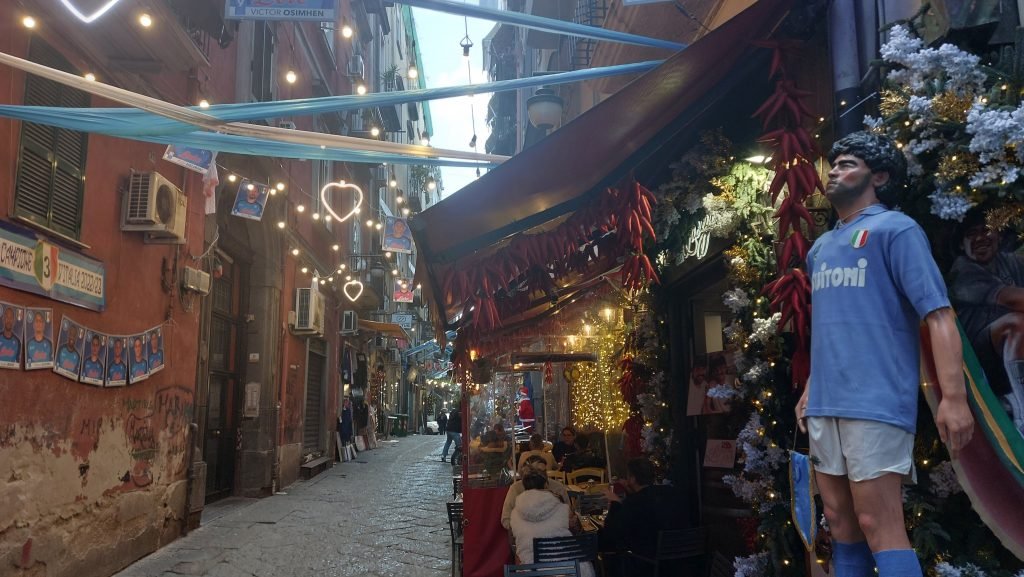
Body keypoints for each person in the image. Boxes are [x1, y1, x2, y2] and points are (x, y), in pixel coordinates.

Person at [796, 131, 974, 577]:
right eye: (833, 164)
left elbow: (938, 315)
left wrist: (953, 398)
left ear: (879, 176)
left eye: (848, 163)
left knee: (879, 521)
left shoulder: (897, 229)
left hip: (874, 400)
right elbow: (830, 328)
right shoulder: (819, 250)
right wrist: (810, 388)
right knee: (839, 524)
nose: (835, 170)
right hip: (825, 403)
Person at [948, 211, 1024, 435]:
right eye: (971, 234)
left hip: (1013, 355)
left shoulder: (1011, 261)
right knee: (1018, 322)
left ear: (999, 236)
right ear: (962, 244)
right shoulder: (963, 271)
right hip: (980, 361)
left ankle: (1012, 399)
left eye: (987, 230)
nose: (980, 238)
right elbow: (1012, 299)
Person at [599, 458, 687, 577]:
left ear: (633, 479)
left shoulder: (633, 503)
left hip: (647, 565)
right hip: (680, 562)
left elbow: (611, 535)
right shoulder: (671, 493)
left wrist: (615, 503)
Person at [509, 471, 595, 577]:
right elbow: (577, 534)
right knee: (585, 564)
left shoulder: (514, 515)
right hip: (564, 569)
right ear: (546, 485)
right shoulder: (563, 509)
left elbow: (515, 543)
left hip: (531, 570)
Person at [501, 455, 572, 532]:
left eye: (543, 472)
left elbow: (568, 515)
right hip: (526, 535)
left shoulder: (558, 487)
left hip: (554, 534)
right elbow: (506, 518)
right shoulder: (516, 489)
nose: (541, 475)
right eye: (536, 472)